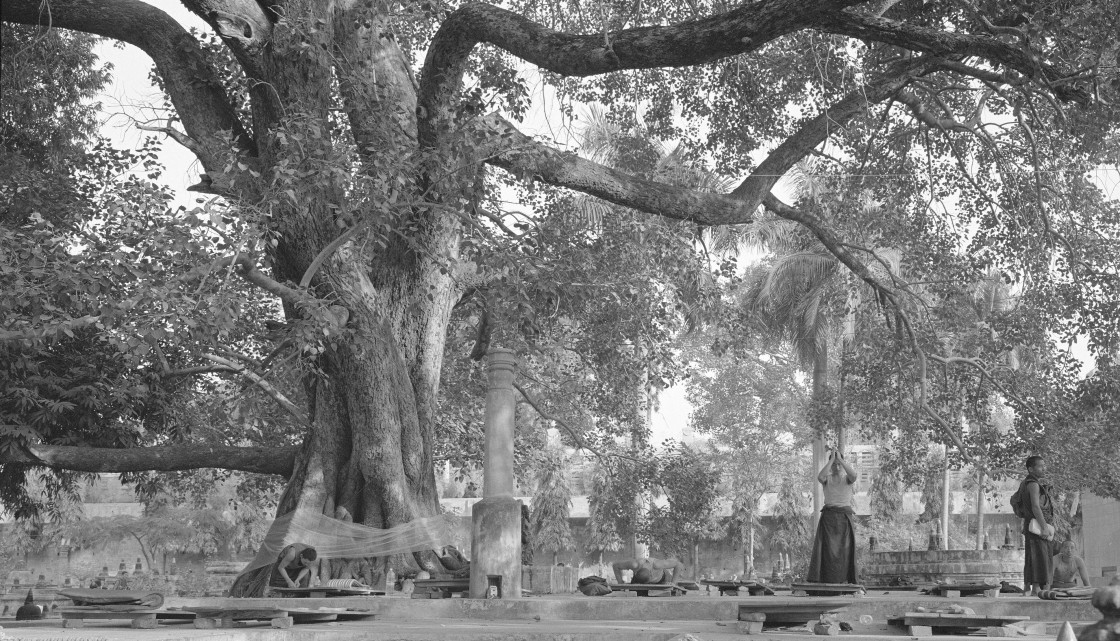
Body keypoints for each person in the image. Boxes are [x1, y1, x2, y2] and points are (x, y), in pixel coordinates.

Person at [807, 448, 858, 584]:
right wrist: (831, 460)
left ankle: (845, 580)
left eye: (838, 464)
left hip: (844, 518)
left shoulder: (847, 479)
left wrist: (840, 459)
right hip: (828, 518)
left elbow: (854, 476)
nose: (836, 466)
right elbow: (820, 477)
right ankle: (824, 580)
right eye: (834, 464)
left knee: (845, 552)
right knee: (826, 551)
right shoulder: (826, 479)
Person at [1020, 455, 1055, 595]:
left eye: (1043, 465)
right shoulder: (1033, 484)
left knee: (1034, 556)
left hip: (1031, 526)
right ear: (1030, 469)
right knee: (1040, 557)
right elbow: (1035, 506)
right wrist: (1044, 527)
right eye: (1040, 466)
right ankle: (1037, 588)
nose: (1043, 468)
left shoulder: (1025, 483)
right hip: (1037, 527)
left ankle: (1032, 587)